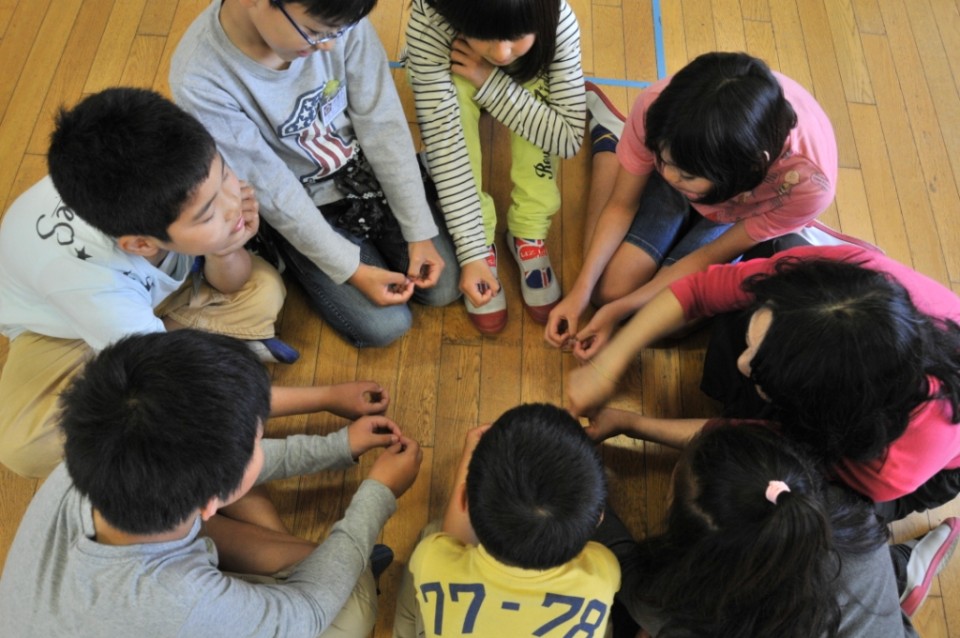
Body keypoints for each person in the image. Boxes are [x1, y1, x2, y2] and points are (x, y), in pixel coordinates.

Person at [0, 88, 388, 479]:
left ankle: (148, 343)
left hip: (142, 301)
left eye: (225, 177)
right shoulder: (87, 283)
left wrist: (225, 248)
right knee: (23, 447)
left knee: (264, 287)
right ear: (140, 244)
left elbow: (232, 282)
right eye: (206, 215)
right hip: (58, 331)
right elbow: (184, 385)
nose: (233, 206)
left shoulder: (170, 181)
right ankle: (149, 348)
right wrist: (325, 398)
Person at [0, 329, 423, 637]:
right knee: (350, 610)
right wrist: (378, 493)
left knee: (313, 557)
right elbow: (308, 610)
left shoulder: (92, 455)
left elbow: (230, 469)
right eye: (258, 440)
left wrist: (337, 446)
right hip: (163, 609)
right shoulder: (180, 602)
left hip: (109, 588)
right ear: (208, 505)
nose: (262, 440)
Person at [566, 245, 960, 520]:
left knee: (797, 504)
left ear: (813, 408)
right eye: (754, 344)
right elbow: (703, 288)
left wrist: (632, 424)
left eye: (759, 369)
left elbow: (761, 438)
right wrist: (609, 362)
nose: (743, 361)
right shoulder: (842, 275)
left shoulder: (890, 462)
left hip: (910, 471)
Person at [170, 0, 460, 349]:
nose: (328, 45)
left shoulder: (339, 18)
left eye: (338, 32)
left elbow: (382, 123)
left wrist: (418, 233)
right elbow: (274, 188)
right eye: (313, 33)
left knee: (443, 288)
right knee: (384, 326)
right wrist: (351, 270)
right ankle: (287, 252)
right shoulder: (199, 78)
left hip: (362, 170)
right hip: (298, 198)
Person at [545, 52, 839, 357]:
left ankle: (618, 146)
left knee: (667, 322)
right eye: (662, 158)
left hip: (739, 211)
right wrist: (581, 293)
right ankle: (611, 139)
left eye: (685, 173)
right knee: (606, 289)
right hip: (705, 174)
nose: (669, 174)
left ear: (748, 169)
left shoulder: (807, 185)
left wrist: (619, 311)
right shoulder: (657, 108)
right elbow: (621, 204)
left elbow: (710, 254)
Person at [592, 421, 922, 637]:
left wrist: (588, 489)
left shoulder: (685, 614)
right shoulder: (853, 519)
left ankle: (903, 574)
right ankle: (903, 573)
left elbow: (629, 571)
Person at [405, 0, 585, 333]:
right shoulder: (431, 20)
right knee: (452, 107)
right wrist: (472, 252)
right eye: (483, 35)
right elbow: (447, 152)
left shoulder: (559, 21)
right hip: (456, 71)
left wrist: (488, 81)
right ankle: (483, 239)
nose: (501, 53)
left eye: (516, 35)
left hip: (501, 76)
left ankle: (527, 230)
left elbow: (566, 139)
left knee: (538, 87)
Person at [393, 404, 620, 637]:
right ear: (599, 518)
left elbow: (453, 541)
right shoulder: (602, 571)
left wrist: (469, 457)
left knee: (433, 532)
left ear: (464, 500)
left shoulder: (431, 559)